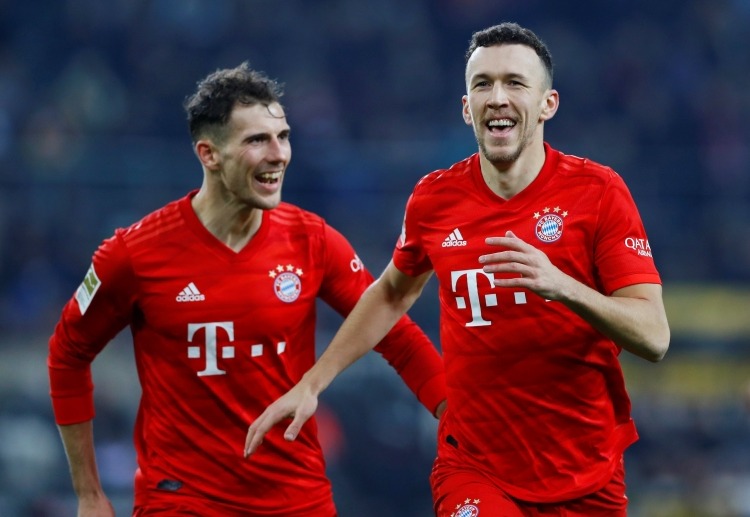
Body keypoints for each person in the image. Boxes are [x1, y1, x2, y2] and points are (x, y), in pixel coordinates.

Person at [245, 22, 670, 516]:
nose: (497, 97)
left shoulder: (598, 193)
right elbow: (391, 293)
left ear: (547, 104)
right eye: (483, 84)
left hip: (585, 469)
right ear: (467, 108)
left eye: (515, 83)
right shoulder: (434, 199)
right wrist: (313, 382)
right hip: (474, 467)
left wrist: (563, 286)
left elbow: (654, 337)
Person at [47, 62, 447, 517]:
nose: (279, 154)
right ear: (209, 154)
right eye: (257, 140)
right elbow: (68, 354)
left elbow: (395, 332)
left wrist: (456, 417)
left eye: (283, 136)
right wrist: (88, 493)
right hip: (183, 501)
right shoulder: (133, 254)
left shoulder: (312, 240)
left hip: (297, 500)